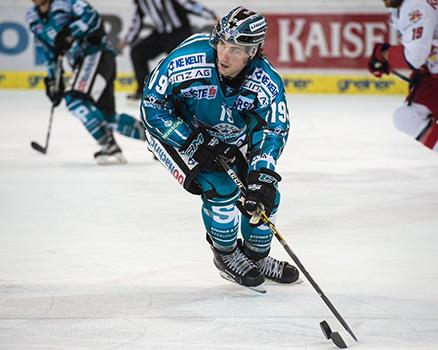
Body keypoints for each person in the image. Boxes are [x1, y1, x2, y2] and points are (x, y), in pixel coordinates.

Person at [141, 7, 299, 291]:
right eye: (223, 44)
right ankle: (225, 254)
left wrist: (261, 172)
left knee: (264, 195)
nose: (224, 55)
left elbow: (272, 129)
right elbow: (152, 105)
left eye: (236, 49)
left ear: (252, 52)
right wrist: (190, 141)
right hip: (175, 133)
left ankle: (255, 257)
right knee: (221, 187)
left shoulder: (267, 82)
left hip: (222, 137)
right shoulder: (187, 60)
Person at [26, 0, 147, 164]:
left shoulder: (67, 2)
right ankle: (161, 139)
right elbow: (50, 52)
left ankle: (109, 146)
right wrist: (53, 81)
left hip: (96, 54)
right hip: (83, 62)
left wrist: (69, 33)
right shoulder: (33, 19)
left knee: (75, 99)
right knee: (107, 118)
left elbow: (93, 18)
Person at [368, 0, 438, 152]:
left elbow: (414, 56)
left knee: (406, 118)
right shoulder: (399, 8)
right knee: (407, 117)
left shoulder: (417, 5)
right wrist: (423, 70)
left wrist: (385, 55)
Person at [118, 0, 217, 100]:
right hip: (161, 34)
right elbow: (137, 21)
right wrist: (127, 40)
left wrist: (212, 16)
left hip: (180, 32)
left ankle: (194, 90)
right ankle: (144, 91)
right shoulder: (142, 2)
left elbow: (189, 5)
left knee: (184, 61)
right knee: (138, 52)